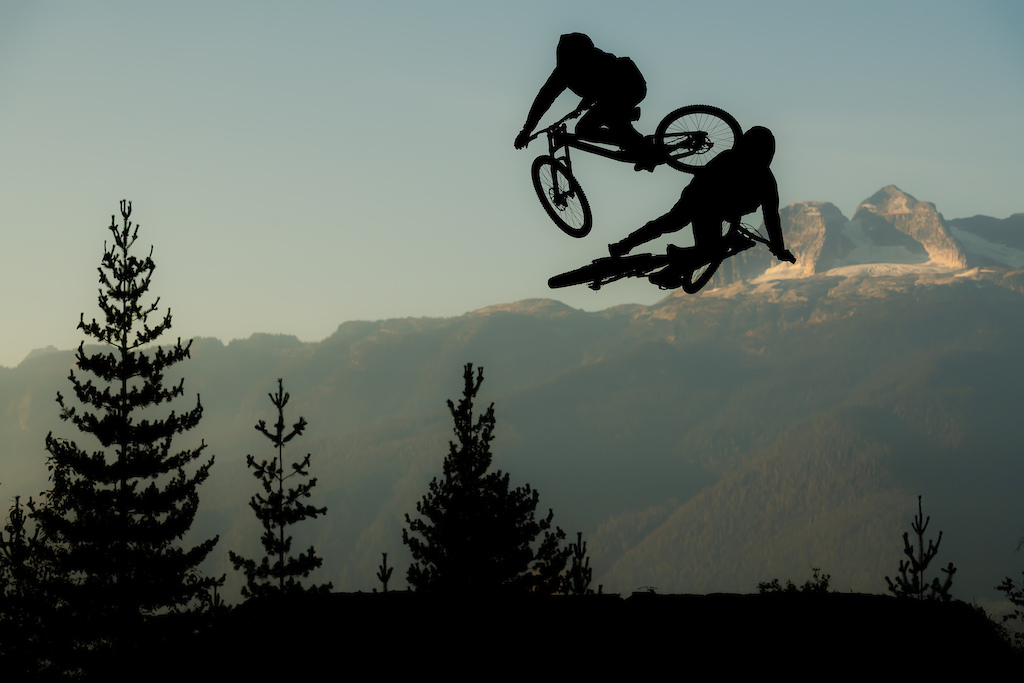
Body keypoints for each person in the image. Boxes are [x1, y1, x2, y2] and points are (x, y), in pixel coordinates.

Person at [608, 125, 795, 286]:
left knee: (670, 223)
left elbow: (770, 215)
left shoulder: (730, 158)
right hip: (708, 206)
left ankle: (625, 246)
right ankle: (669, 267)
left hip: (698, 198)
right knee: (709, 249)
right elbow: (771, 216)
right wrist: (778, 249)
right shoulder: (765, 180)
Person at [514, 33, 650, 165]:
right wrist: (527, 130)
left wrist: (584, 104)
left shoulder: (596, 61)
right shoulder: (564, 73)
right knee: (601, 118)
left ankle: (636, 144)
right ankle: (639, 147)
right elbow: (543, 100)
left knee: (588, 127)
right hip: (617, 93)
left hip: (629, 85)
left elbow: (604, 85)